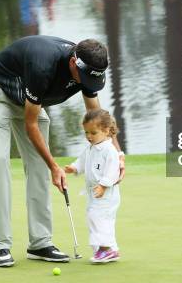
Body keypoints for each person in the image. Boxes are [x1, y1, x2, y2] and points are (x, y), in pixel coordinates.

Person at [0, 35, 125, 268]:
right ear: (74, 64)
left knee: (38, 166)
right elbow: (30, 123)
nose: (87, 83)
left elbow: (98, 118)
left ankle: (40, 243)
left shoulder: (89, 70)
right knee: (0, 160)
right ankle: (1, 244)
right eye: (84, 78)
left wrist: (117, 154)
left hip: (27, 100)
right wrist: (55, 166)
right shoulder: (42, 64)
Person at [65, 109, 121, 264]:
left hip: (106, 194)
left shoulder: (109, 151)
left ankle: (106, 250)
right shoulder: (91, 148)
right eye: (86, 133)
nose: (89, 136)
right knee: (95, 217)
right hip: (93, 193)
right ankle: (110, 249)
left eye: (93, 133)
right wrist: (74, 168)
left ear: (106, 131)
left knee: (99, 218)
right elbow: (82, 161)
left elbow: (112, 171)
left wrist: (103, 185)